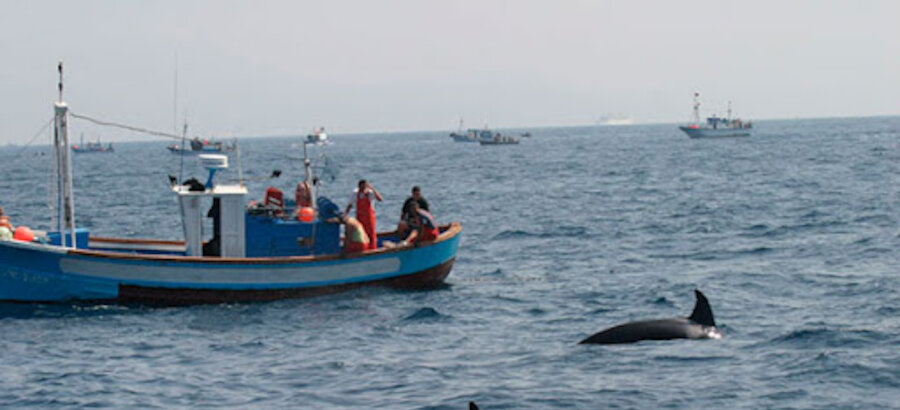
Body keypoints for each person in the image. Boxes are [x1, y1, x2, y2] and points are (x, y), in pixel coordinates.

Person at [345, 179, 382, 250]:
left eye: (364, 187)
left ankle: (373, 248)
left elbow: (380, 199)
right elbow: (350, 205)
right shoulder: (355, 193)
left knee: (371, 234)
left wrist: (373, 189)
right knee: (361, 233)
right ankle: (364, 248)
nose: (362, 189)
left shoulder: (370, 193)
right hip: (360, 217)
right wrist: (345, 214)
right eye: (361, 187)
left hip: (369, 218)